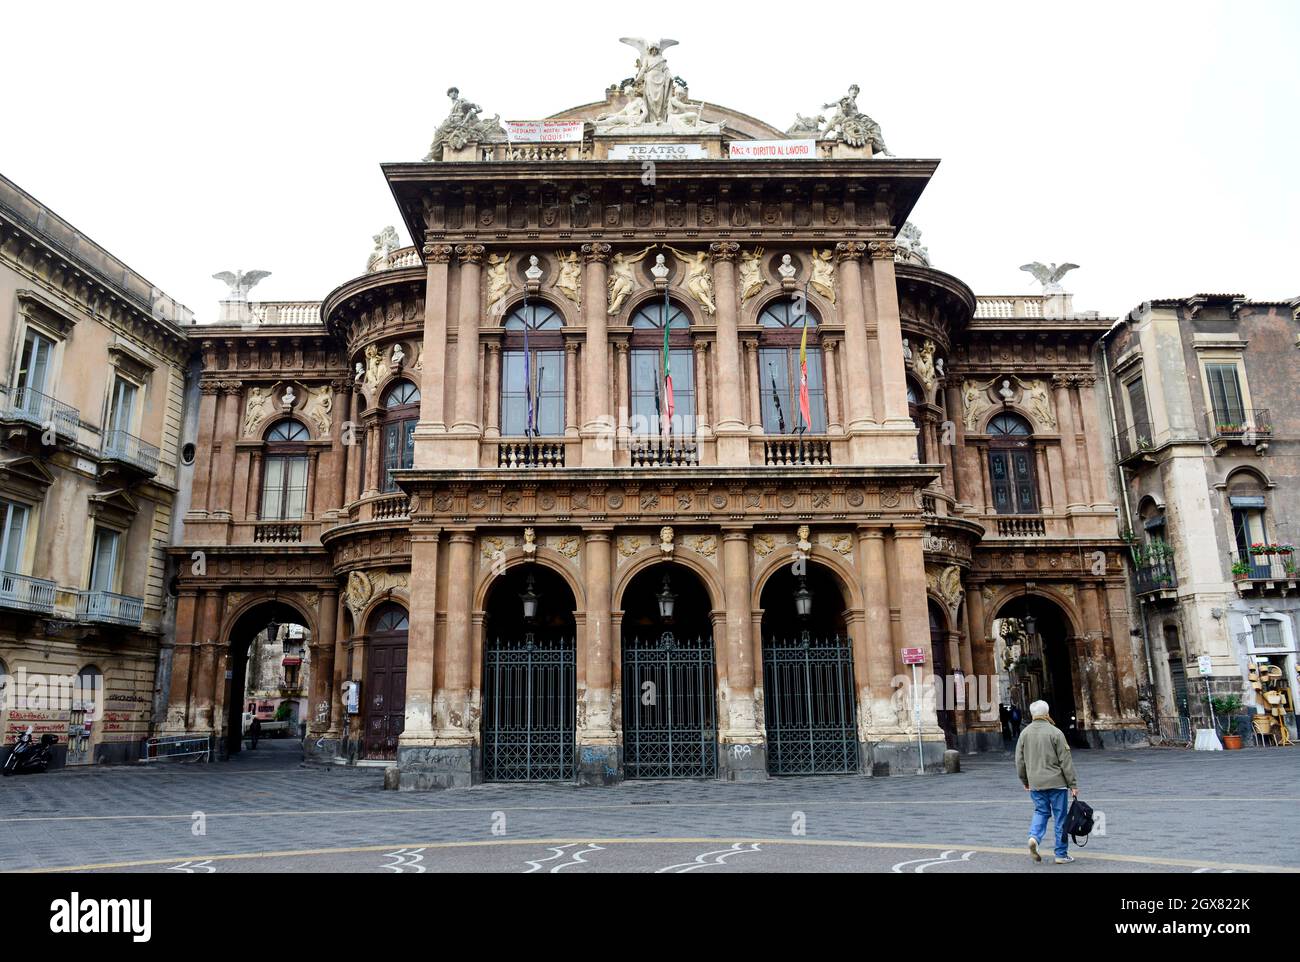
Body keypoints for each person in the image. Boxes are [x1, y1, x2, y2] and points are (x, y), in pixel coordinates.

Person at [1015, 700, 1079, 864]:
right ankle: (1061, 854)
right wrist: (1072, 784)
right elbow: (1066, 761)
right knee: (1060, 818)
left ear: (1032, 714)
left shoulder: (1024, 734)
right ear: (1047, 713)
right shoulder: (1055, 732)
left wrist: (1025, 780)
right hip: (1057, 783)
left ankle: (1034, 837)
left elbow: (1019, 761)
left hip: (1036, 783)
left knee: (1041, 812)